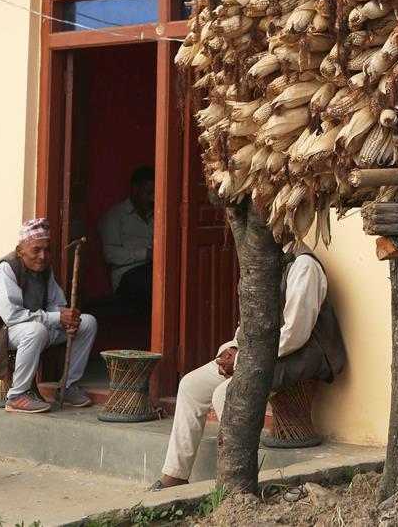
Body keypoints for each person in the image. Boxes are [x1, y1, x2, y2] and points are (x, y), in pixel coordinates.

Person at [149, 241, 346, 489]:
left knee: (227, 394)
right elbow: (251, 321)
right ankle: (175, 474)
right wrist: (233, 349)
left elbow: (296, 333)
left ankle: (235, 476)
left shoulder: (303, 264)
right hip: (259, 352)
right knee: (191, 385)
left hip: (302, 355)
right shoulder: (263, 258)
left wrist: (242, 358)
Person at [0, 218, 98, 413]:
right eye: (36, 250)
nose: (43, 256)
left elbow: (55, 303)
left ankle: (67, 385)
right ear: (20, 251)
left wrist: (66, 316)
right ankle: (17, 396)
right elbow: (13, 316)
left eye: (47, 250)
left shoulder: (45, 269)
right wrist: (56, 318)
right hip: (1, 335)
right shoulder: (6, 269)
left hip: (36, 327)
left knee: (87, 323)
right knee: (35, 330)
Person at [97, 167, 155, 307]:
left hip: (153, 270)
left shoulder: (156, 216)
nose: (152, 199)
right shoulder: (115, 216)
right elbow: (111, 254)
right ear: (135, 189)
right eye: (149, 193)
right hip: (128, 275)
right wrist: (146, 254)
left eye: (155, 194)